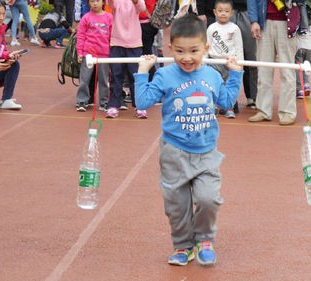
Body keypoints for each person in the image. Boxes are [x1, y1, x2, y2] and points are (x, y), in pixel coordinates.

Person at [134, 14, 243, 266]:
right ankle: (183, 246)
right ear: (170, 48)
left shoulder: (213, 76)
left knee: (208, 199)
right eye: (180, 51)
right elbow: (142, 102)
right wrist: (142, 72)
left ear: (206, 48)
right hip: (174, 152)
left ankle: (204, 239)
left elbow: (226, 102)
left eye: (194, 51)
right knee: (177, 206)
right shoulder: (165, 75)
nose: (186, 57)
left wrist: (234, 74)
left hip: (206, 153)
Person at [247, 0, 299, 125]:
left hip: (288, 22)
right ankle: (263, 110)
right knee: (263, 68)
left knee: (287, 70)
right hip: (264, 22)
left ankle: (288, 111)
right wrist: (254, 20)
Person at [105, 0, 147, 119]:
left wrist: (136, 2)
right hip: (117, 42)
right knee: (116, 75)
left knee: (135, 76)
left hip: (134, 43)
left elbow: (142, 8)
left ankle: (140, 106)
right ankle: (113, 105)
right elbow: (110, 5)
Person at [207, 0, 244, 118]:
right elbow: (207, 45)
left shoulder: (235, 28)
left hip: (230, 63)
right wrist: (204, 60)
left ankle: (229, 108)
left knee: (229, 85)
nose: (223, 14)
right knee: (214, 85)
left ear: (231, 13)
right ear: (215, 12)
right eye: (220, 11)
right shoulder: (211, 28)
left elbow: (239, 47)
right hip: (214, 61)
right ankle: (213, 108)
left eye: (227, 11)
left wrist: (240, 62)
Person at [75, 0, 113, 111]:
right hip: (88, 54)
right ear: (88, 3)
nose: (95, 3)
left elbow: (111, 36)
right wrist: (80, 53)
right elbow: (81, 36)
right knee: (84, 79)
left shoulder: (109, 18)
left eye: (97, 1)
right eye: (92, 1)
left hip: (104, 54)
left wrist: (111, 52)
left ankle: (104, 102)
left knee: (104, 80)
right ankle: (82, 101)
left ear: (103, 2)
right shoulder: (86, 18)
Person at [232, 0, 257, 109]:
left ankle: (253, 96)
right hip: (229, 11)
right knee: (229, 58)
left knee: (251, 57)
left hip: (249, 13)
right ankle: (230, 98)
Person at [295, 0, 311, 99]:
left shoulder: (297, 20)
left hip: (299, 47)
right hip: (309, 48)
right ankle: (306, 84)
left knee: (298, 67)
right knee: (307, 66)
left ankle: (299, 89)